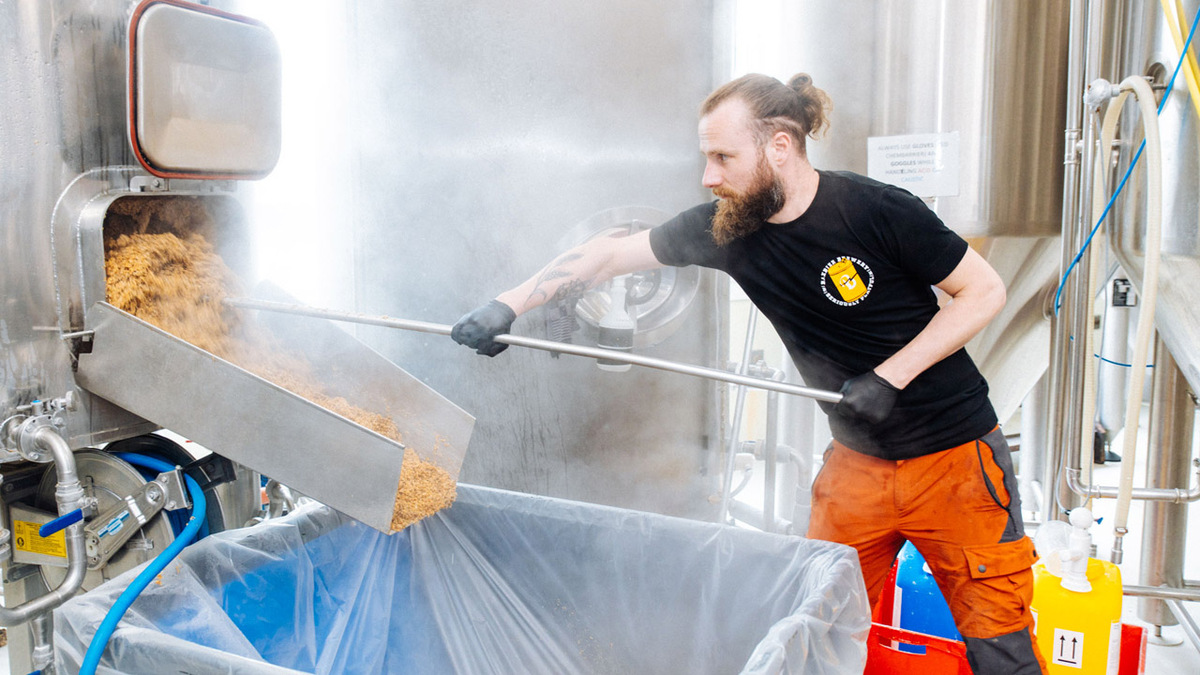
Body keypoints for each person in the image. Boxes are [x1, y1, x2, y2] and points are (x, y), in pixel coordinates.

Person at [451, 73, 1045, 675]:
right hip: (855, 466)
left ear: (779, 147)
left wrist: (889, 377)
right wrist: (510, 303)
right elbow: (608, 251)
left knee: (1000, 649)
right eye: (707, 158)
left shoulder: (877, 210)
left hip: (957, 464)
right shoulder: (727, 229)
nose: (709, 177)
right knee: (817, 631)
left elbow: (982, 291)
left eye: (722, 157)